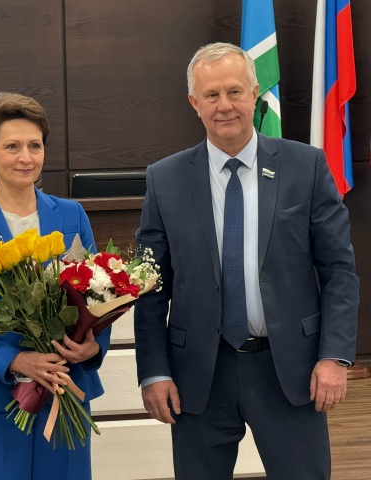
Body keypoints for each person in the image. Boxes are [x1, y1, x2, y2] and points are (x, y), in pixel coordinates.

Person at [134, 42, 359, 480]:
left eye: (234, 91)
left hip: (290, 369)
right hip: (200, 375)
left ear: (255, 93)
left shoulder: (306, 166)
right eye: (212, 95)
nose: (225, 105)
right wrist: (154, 371)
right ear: (194, 103)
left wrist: (335, 356)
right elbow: (151, 287)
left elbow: (339, 272)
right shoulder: (164, 179)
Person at [0, 92, 110, 480]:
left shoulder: (72, 215)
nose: (26, 157)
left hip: (64, 393)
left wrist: (92, 346)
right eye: (12, 146)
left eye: (35, 146)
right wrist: (14, 361)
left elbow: (99, 296)